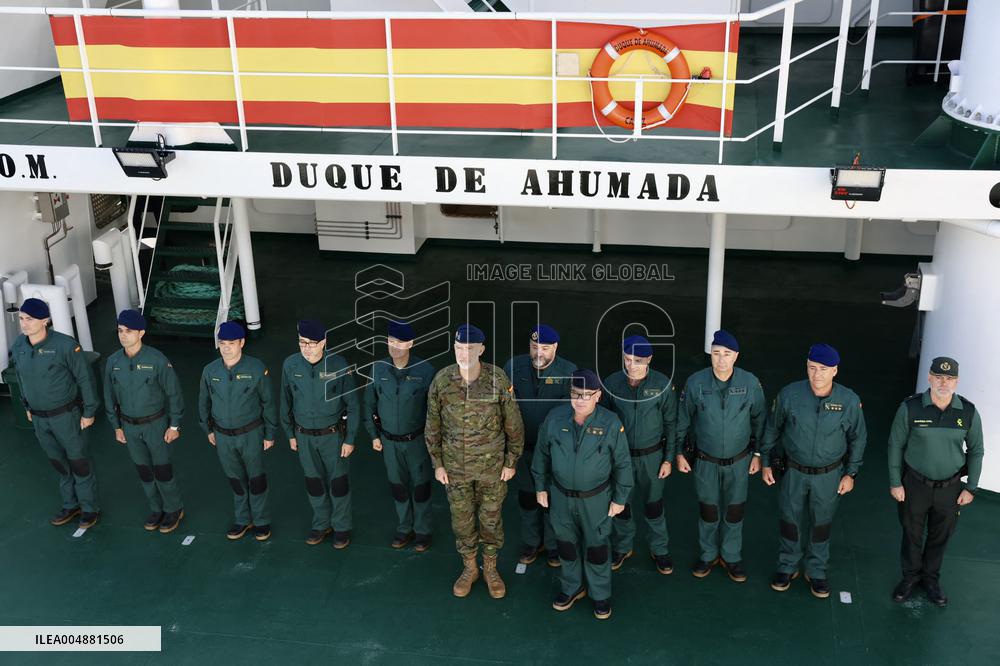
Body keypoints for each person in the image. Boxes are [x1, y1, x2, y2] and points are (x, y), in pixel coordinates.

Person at [425, 324, 524, 599]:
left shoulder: (497, 378)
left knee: (491, 519)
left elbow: (513, 422)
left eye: (469, 348)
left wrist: (511, 461)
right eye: (459, 348)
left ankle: (490, 569)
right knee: (462, 520)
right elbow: (432, 425)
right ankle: (470, 568)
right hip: (455, 469)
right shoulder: (442, 381)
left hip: (492, 469)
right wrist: (437, 463)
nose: (463, 354)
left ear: (481, 350)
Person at [760, 343, 867, 598]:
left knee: (821, 524)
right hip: (793, 472)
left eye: (823, 369)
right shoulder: (790, 395)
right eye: (812, 367)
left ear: (835, 371)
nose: (816, 374)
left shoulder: (849, 401)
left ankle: (816, 570)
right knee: (790, 521)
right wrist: (765, 462)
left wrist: (850, 473)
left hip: (828, 476)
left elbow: (858, 439)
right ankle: (787, 566)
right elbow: (772, 429)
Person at [533, 369, 632, 620]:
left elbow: (623, 464)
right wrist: (540, 486)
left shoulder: (611, 423)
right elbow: (541, 454)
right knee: (566, 546)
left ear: (598, 396)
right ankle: (572, 587)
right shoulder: (554, 419)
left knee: (597, 549)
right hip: (561, 497)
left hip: (596, 499)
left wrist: (620, 498)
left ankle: (600, 593)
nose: (580, 399)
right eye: (576, 393)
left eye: (587, 394)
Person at [888, 356, 985, 607]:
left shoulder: (968, 411)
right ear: (930, 378)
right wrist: (895, 482)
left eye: (950, 378)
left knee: (940, 535)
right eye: (939, 377)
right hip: (914, 484)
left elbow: (976, 450)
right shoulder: (910, 408)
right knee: (911, 533)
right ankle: (910, 577)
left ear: (957, 381)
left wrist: (971, 487)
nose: (944, 382)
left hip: (950, 488)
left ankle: (931, 579)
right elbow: (895, 445)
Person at [675, 330, 766, 582]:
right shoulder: (696, 383)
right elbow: (682, 420)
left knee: (734, 511)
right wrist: (678, 453)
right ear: (710, 355)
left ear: (736, 356)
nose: (721, 359)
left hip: (740, 461)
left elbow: (760, 420)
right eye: (716, 353)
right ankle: (708, 554)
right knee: (708, 510)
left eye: (727, 354)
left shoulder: (750, 383)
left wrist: (759, 454)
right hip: (705, 461)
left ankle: (731, 556)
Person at [11, 298, 100, 529]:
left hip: (66, 416)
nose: (24, 324)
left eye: (30, 319)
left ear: (45, 321)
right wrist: (27, 406)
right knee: (58, 462)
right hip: (39, 418)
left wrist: (89, 411)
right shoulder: (19, 346)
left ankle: (89, 508)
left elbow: (85, 378)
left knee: (79, 462)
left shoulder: (65, 346)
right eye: (21, 318)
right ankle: (71, 504)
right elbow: (20, 377)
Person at [104, 309, 185, 533]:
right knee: (144, 470)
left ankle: (173, 509)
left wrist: (174, 425)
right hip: (129, 427)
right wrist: (116, 426)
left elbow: (174, 394)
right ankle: (156, 508)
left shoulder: (157, 360)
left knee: (162, 469)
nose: (123, 335)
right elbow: (109, 396)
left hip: (155, 425)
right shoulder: (113, 362)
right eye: (120, 330)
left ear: (141, 333)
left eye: (128, 331)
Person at [280, 319, 360, 549]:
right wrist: (290, 434)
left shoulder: (339, 365)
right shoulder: (290, 365)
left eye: (312, 343)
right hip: (303, 437)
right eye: (302, 342)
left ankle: (341, 527)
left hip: (333, 437)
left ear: (324, 342)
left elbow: (353, 405)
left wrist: (350, 439)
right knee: (314, 483)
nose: (306, 348)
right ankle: (321, 524)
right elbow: (285, 401)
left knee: (338, 484)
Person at [602, 335, 677, 575]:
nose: (631, 365)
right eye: (627, 359)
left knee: (654, 505)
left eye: (638, 360)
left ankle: (660, 549)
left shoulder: (662, 385)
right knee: (621, 504)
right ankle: (623, 547)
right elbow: (603, 421)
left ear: (649, 360)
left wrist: (668, 459)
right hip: (621, 458)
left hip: (652, 457)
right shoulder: (612, 383)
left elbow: (671, 425)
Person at [503, 323, 577, 568]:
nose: (538, 352)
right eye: (535, 346)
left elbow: (571, 412)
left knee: (551, 499)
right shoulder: (513, 367)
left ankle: (553, 544)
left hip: (553, 451)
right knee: (527, 497)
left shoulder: (568, 371)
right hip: (523, 448)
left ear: (555, 347)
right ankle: (532, 542)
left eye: (545, 348)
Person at [199, 321, 277, 541]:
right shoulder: (210, 371)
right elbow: (203, 402)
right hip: (222, 436)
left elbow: (268, 402)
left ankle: (261, 521)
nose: (226, 347)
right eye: (222, 343)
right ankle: (243, 519)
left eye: (231, 343)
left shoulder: (256, 369)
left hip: (251, 434)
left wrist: (270, 433)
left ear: (242, 343)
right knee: (235, 479)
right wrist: (208, 429)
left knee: (256, 479)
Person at [363, 321, 437, 551]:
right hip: (389, 442)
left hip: (416, 442)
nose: (394, 347)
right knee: (398, 487)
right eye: (391, 341)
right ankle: (404, 528)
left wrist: (433, 442)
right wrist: (374, 435)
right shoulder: (378, 369)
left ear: (410, 344)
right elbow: (368, 404)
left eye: (400, 342)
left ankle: (422, 531)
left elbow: (435, 411)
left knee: (421, 488)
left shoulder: (426, 371)